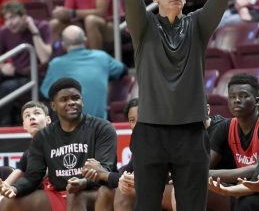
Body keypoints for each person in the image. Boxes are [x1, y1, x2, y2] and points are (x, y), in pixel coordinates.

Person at [125, 0, 234, 210]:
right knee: (146, 206)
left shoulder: (198, 26)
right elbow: (131, 5)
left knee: (192, 206)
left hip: (192, 133)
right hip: (150, 132)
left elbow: (218, 4)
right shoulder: (144, 27)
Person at [0, 77, 118, 211]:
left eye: (75, 98)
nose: (71, 102)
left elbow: (105, 170)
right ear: (53, 106)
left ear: (82, 101)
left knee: (75, 196)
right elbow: (33, 177)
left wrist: (82, 183)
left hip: (94, 191)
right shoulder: (43, 137)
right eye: (64, 99)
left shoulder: (102, 127)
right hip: (58, 193)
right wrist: (14, 188)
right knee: (7, 203)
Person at [82, 98, 174, 211]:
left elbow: (147, 179)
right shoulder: (140, 143)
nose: (137, 125)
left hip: (176, 190)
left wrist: (103, 174)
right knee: (105, 191)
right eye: (132, 120)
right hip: (152, 188)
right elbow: (127, 174)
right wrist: (100, 173)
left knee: (125, 191)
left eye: (141, 119)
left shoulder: (163, 139)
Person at [41, 25, 127, 119]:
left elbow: (46, 92)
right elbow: (122, 70)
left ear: (63, 45)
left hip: (69, 126)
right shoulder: (102, 57)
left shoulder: (55, 64)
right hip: (100, 124)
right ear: (85, 40)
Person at [0, 0, 52, 126]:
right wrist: (2, 66)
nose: (9, 23)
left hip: (37, 76)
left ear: (23, 16)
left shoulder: (42, 26)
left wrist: (33, 30)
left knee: (7, 87)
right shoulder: (5, 32)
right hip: (15, 74)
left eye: (12, 18)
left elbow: (45, 57)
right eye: (6, 19)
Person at [0, 101, 51, 210]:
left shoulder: (58, 143)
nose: (32, 117)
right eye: (27, 115)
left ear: (48, 120)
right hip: (34, 192)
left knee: (6, 202)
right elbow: (11, 179)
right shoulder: (28, 153)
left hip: (55, 193)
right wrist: (3, 188)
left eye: (37, 113)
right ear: (24, 125)